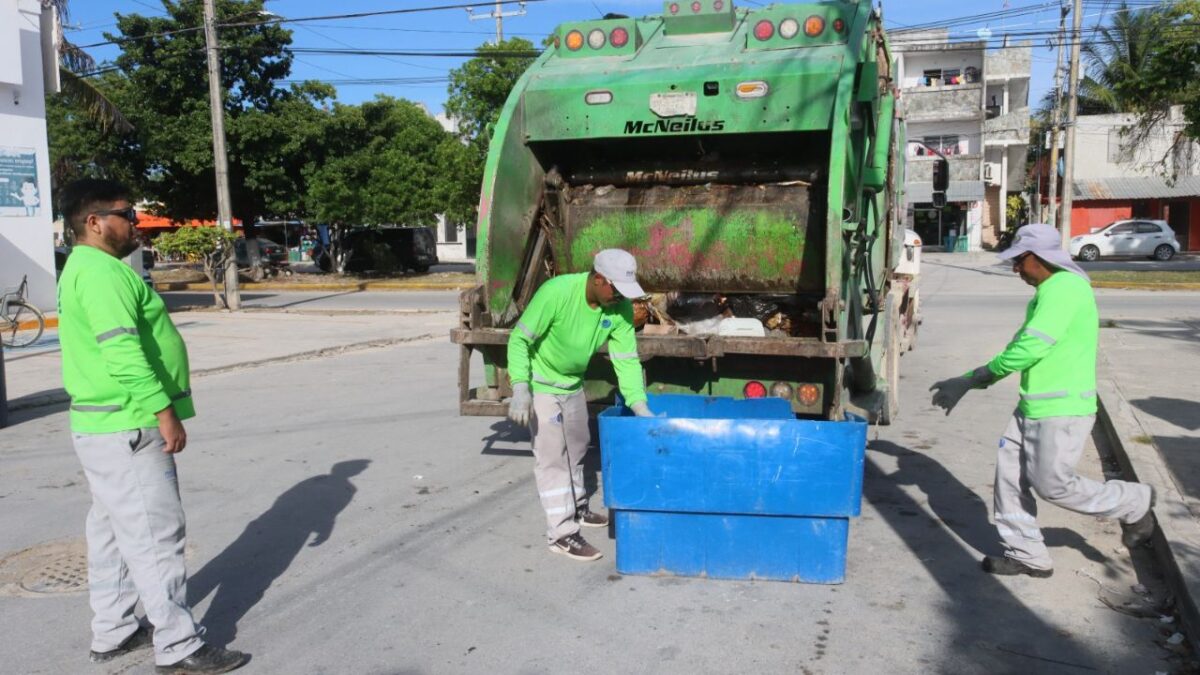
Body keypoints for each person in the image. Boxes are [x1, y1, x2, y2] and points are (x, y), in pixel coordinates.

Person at [57, 179, 248, 674]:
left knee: (112, 532)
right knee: (155, 536)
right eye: (127, 215)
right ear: (94, 222)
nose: (136, 224)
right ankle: (179, 646)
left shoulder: (87, 267)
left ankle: (115, 631)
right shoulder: (101, 274)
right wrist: (163, 411)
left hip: (103, 425)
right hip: (129, 423)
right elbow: (123, 352)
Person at [930, 223, 1155, 578]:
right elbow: (1022, 346)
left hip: (1061, 409)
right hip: (1033, 406)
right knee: (1009, 480)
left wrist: (975, 379)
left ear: (1041, 257)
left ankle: (1133, 501)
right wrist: (971, 380)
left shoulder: (1065, 290)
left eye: (1020, 261)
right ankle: (1027, 554)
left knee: (1052, 485)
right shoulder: (1048, 291)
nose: (1016, 268)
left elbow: (1029, 349)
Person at [507, 249, 655, 562]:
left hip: (572, 383)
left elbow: (626, 360)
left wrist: (639, 404)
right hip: (541, 384)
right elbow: (519, 340)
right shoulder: (556, 293)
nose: (619, 297)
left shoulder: (620, 308)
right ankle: (562, 533)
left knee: (578, 447)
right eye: (615, 289)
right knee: (553, 458)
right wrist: (520, 387)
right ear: (598, 279)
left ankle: (578, 507)